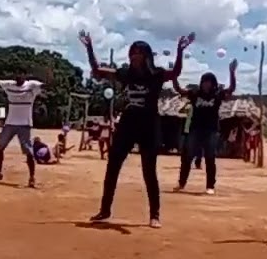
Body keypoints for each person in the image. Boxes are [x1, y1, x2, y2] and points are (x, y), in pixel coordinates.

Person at [81, 29, 193, 227]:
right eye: (133, 52)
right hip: (129, 121)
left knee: (149, 170)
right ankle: (105, 210)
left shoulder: (157, 75)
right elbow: (98, 70)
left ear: (146, 56)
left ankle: (155, 215)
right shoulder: (126, 74)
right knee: (113, 164)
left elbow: (175, 72)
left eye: (139, 52)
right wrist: (89, 47)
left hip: (149, 123)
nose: (134, 56)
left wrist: (180, 50)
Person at [174, 60, 237, 194]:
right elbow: (179, 90)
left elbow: (231, 89)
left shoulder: (218, 95)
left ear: (213, 84)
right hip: (195, 129)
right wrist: (174, 76)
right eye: (204, 81)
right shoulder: (195, 93)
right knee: (187, 157)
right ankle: (181, 183)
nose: (206, 84)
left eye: (209, 82)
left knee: (210, 157)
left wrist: (232, 72)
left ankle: (210, 186)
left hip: (211, 130)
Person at [0, 64, 50, 187]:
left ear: (25, 75)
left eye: (21, 74)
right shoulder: (9, 85)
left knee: (28, 152)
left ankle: (32, 178)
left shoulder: (32, 86)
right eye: (17, 74)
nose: (18, 76)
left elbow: (46, 86)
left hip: (24, 124)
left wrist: (49, 74)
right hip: (10, 123)